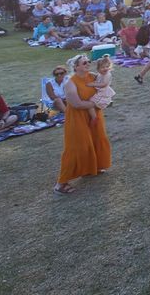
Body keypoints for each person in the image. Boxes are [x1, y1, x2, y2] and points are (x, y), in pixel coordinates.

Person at [54, 54, 112, 195]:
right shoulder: (70, 83)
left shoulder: (92, 76)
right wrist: (97, 103)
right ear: (76, 66)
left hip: (95, 116)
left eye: (88, 62)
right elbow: (76, 104)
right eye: (84, 62)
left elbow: (105, 87)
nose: (87, 64)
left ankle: (92, 168)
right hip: (78, 118)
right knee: (77, 148)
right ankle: (60, 184)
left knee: (97, 140)